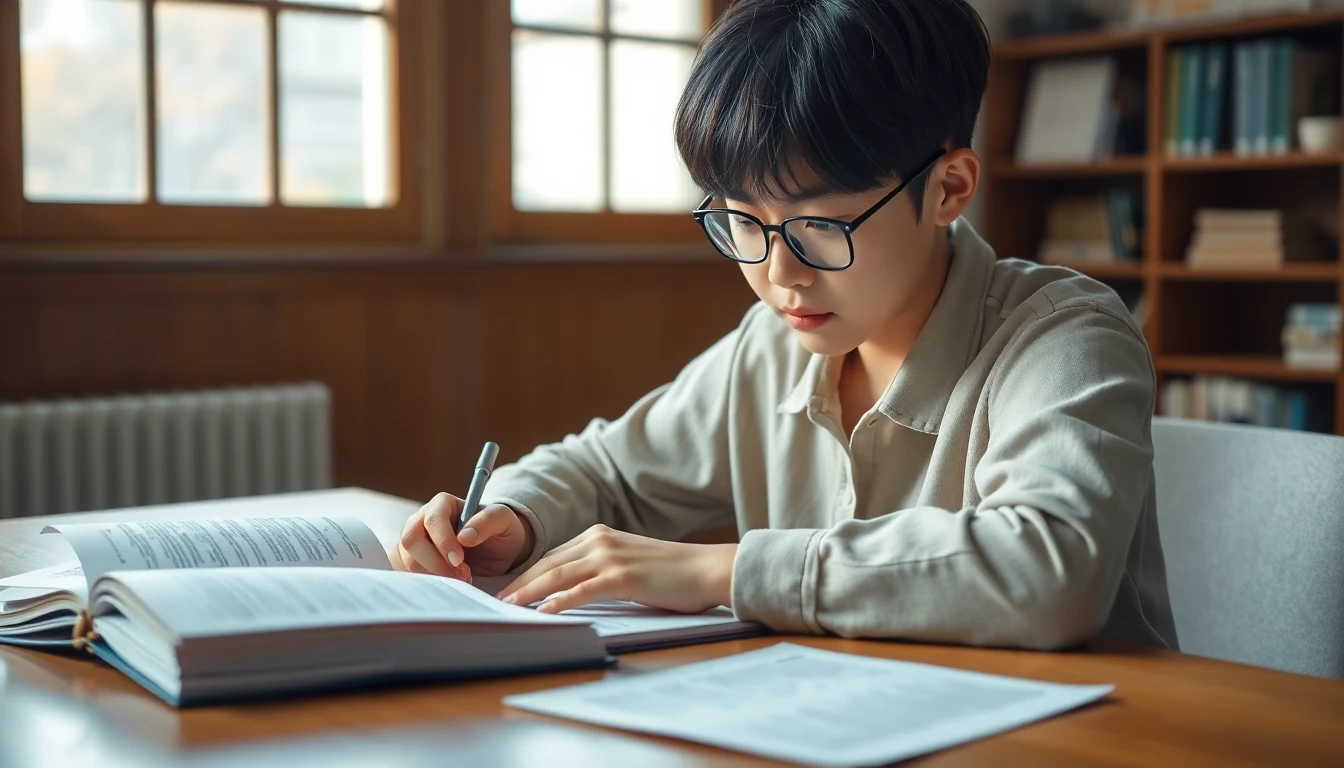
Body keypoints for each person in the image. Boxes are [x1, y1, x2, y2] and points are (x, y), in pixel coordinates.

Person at [392, 0, 1176, 650]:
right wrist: (515, 517)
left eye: (818, 229)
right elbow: (607, 471)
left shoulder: (1067, 336)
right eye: (742, 221)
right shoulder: (773, 343)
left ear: (948, 187)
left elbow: (1051, 572)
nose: (779, 273)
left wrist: (727, 572)